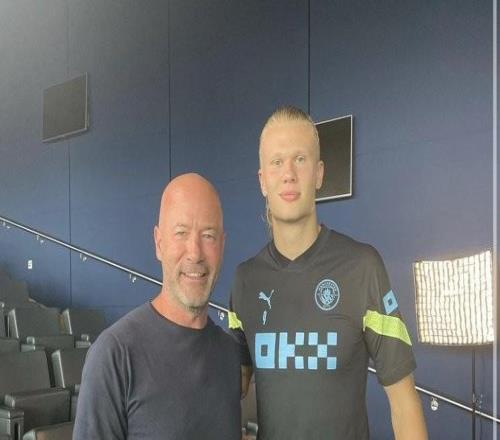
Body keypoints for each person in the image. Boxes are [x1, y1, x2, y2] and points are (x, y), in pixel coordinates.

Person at [229, 106, 428, 439]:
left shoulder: (362, 267)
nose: (288, 174)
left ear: (319, 174)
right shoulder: (245, 281)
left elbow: (404, 404)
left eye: (300, 159)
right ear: (263, 180)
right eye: (277, 162)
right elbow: (230, 387)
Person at [74, 173, 242, 440]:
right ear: (159, 243)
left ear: (222, 246)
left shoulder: (230, 355)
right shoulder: (114, 355)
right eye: (181, 233)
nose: (195, 252)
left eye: (208, 235)